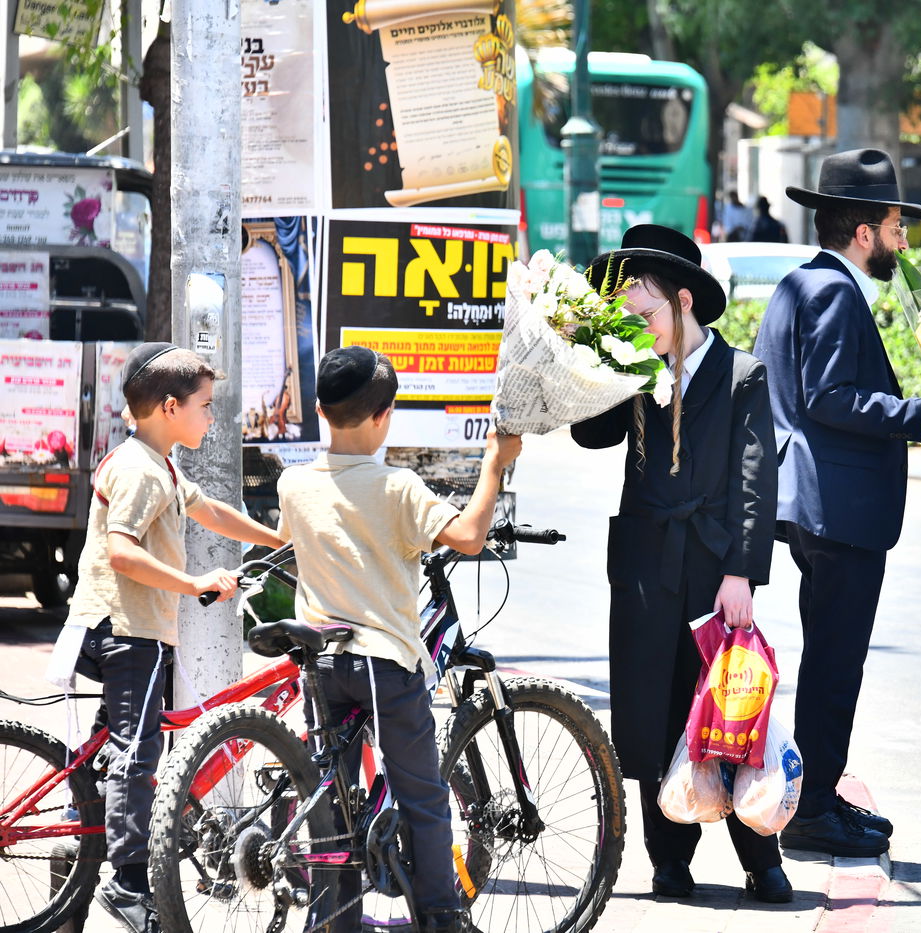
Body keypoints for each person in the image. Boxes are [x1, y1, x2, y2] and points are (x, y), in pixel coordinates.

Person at [751, 148, 921, 857]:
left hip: (821, 507)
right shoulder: (831, 292)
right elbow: (828, 397)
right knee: (835, 662)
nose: (902, 241)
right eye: (894, 226)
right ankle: (815, 807)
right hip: (837, 510)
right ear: (863, 233)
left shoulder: (801, 284)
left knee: (829, 658)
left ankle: (818, 796)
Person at [571, 224, 792, 903]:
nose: (638, 327)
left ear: (684, 300)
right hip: (643, 565)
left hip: (712, 568)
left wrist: (741, 574)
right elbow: (587, 430)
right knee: (652, 713)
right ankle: (668, 857)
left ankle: (761, 853)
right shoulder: (633, 372)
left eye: (645, 314)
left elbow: (756, 480)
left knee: (730, 710)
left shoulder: (741, 375)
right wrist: (601, 352)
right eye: (626, 317)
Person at [274, 347, 522, 933]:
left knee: (332, 803)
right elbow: (466, 536)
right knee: (425, 801)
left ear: (319, 410)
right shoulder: (397, 487)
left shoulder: (293, 483)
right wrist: (495, 462)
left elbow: (290, 534)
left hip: (321, 665)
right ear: (385, 416)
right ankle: (441, 918)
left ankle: (336, 920)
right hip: (384, 664)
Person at [62, 342, 285, 933]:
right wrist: (194, 583)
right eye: (205, 406)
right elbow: (121, 551)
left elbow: (210, 510)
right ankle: (129, 885)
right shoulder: (137, 469)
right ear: (168, 407)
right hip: (125, 630)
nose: (212, 417)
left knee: (109, 751)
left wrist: (278, 540)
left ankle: (75, 847)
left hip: (136, 629)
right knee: (137, 756)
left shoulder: (157, 462)